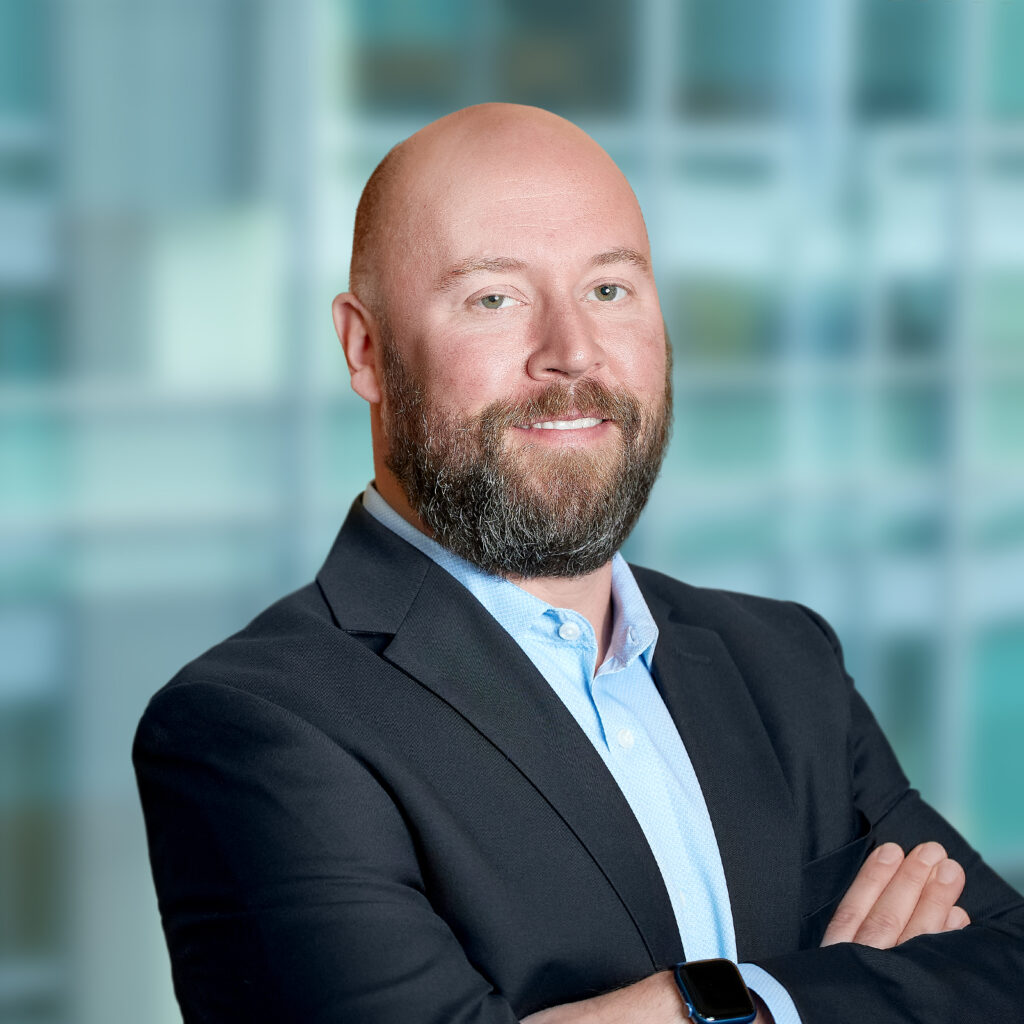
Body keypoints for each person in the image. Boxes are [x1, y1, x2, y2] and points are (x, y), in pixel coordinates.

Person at [133, 104, 1024, 1024]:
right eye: (494, 298)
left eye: (609, 290)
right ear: (366, 348)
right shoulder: (258, 725)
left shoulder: (784, 662)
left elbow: (1008, 965)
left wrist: (697, 1009)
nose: (572, 354)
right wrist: (783, 1000)